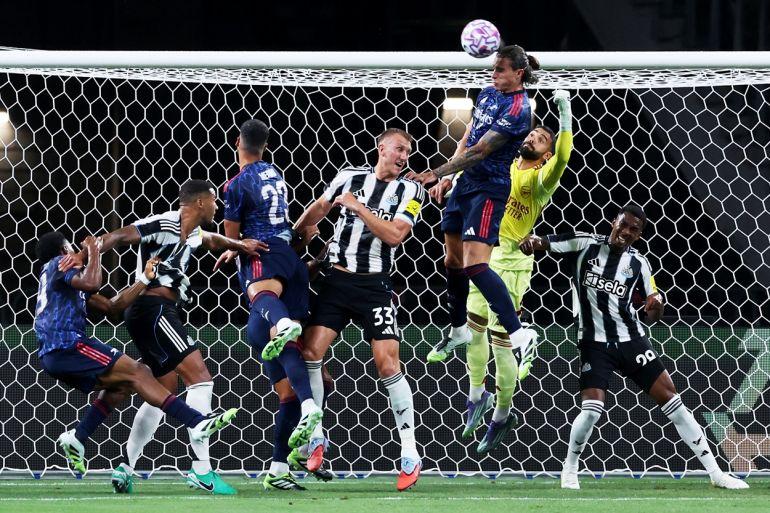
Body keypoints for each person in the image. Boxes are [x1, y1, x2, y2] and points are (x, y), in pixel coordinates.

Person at [518, 204, 749, 490]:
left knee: (674, 403)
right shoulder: (584, 244)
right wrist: (531, 242)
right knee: (591, 410)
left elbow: (653, 309)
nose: (626, 232)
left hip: (632, 341)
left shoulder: (639, 263)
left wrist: (656, 305)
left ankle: (717, 474)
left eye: (633, 230)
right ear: (613, 222)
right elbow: (545, 242)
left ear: (639, 235)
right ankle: (570, 470)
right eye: (623, 225)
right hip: (594, 343)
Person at [60, 179, 265, 494]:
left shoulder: (194, 233)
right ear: (200, 202)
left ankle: (126, 467)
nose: (217, 206)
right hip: (152, 309)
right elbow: (118, 236)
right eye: (214, 200)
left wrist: (241, 245)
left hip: (155, 312)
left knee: (161, 390)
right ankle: (202, 469)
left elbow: (213, 240)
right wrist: (84, 255)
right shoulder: (164, 223)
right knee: (200, 377)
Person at [428, 90, 574, 454]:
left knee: (500, 343)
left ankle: (502, 413)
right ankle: (476, 396)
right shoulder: (504, 165)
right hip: (486, 255)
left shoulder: (541, 179)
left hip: (513, 264)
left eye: (540, 139)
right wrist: (450, 179)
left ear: (546, 153)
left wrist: (564, 110)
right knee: (473, 330)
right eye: (531, 134)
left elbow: (564, 157)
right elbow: (475, 162)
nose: (532, 138)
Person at [34, 232, 237, 476]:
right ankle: (196, 422)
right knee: (139, 372)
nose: (76, 253)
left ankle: (78, 436)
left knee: (122, 385)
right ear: (63, 251)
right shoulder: (59, 264)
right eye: (71, 248)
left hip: (55, 353)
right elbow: (93, 283)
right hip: (67, 345)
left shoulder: (62, 281)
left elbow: (112, 307)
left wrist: (143, 279)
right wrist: (94, 248)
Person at [292, 128, 424, 491]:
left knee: (388, 365)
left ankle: (410, 453)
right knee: (310, 353)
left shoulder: (411, 191)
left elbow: (395, 235)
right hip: (336, 282)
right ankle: (315, 438)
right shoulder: (349, 176)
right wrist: (294, 235)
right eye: (399, 149)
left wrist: (358, 207)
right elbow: (319, 208)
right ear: (381, 148)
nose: (404, 156)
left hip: (375, 287)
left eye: (408, 152)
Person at [408, 44, 540, 373]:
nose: (493, 74)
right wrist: (449, 176)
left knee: (475, 265)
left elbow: (481, 150)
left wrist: (435, 172)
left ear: (518, 73)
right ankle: (458, 331)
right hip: (465, 183)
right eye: (493, 68)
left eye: (500, 70)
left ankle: (520, 335)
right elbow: (468, 136)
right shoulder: (487, 93)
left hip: (489, 190)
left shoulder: (519, 109)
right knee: (452, 261)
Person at [213, 119, 325, 490]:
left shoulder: (235, 184)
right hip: (291, 260)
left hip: (263, 253)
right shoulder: (275, 173)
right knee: (288, 387)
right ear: (265, 145)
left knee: (264, 302)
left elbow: (233, 238)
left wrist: (233, 249)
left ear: (237, 142)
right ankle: (281, 464)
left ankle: (283, 324)